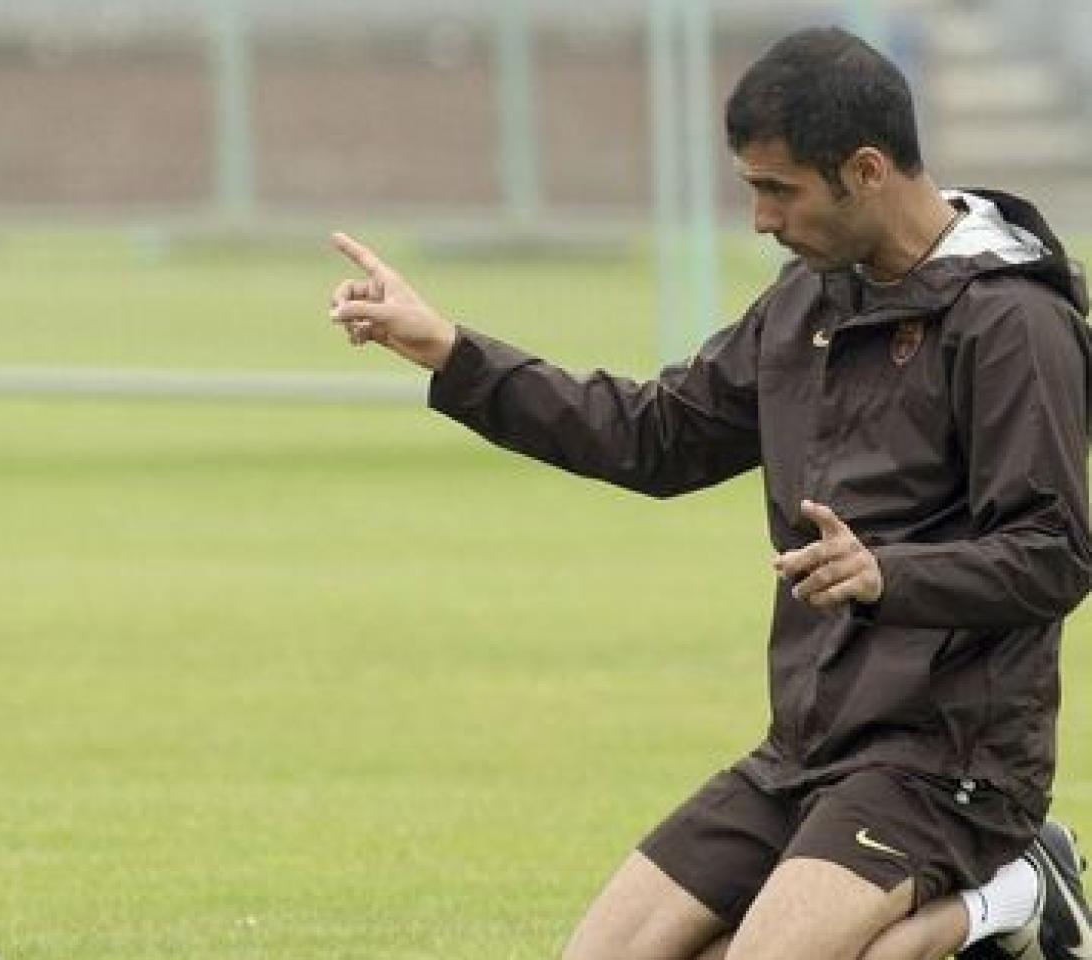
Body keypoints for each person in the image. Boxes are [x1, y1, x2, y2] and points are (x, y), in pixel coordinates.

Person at [327, 26, 1092, 960]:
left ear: (865, 171)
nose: (762, 219)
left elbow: (1057, 551)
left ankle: (1012, 892)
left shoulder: (1013, 322)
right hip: (805, 750)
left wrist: (887, 574)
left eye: (779, 190)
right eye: (752, 190)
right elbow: (652, 436)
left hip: (950, 764)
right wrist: (453, 353)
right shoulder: (808, 305)